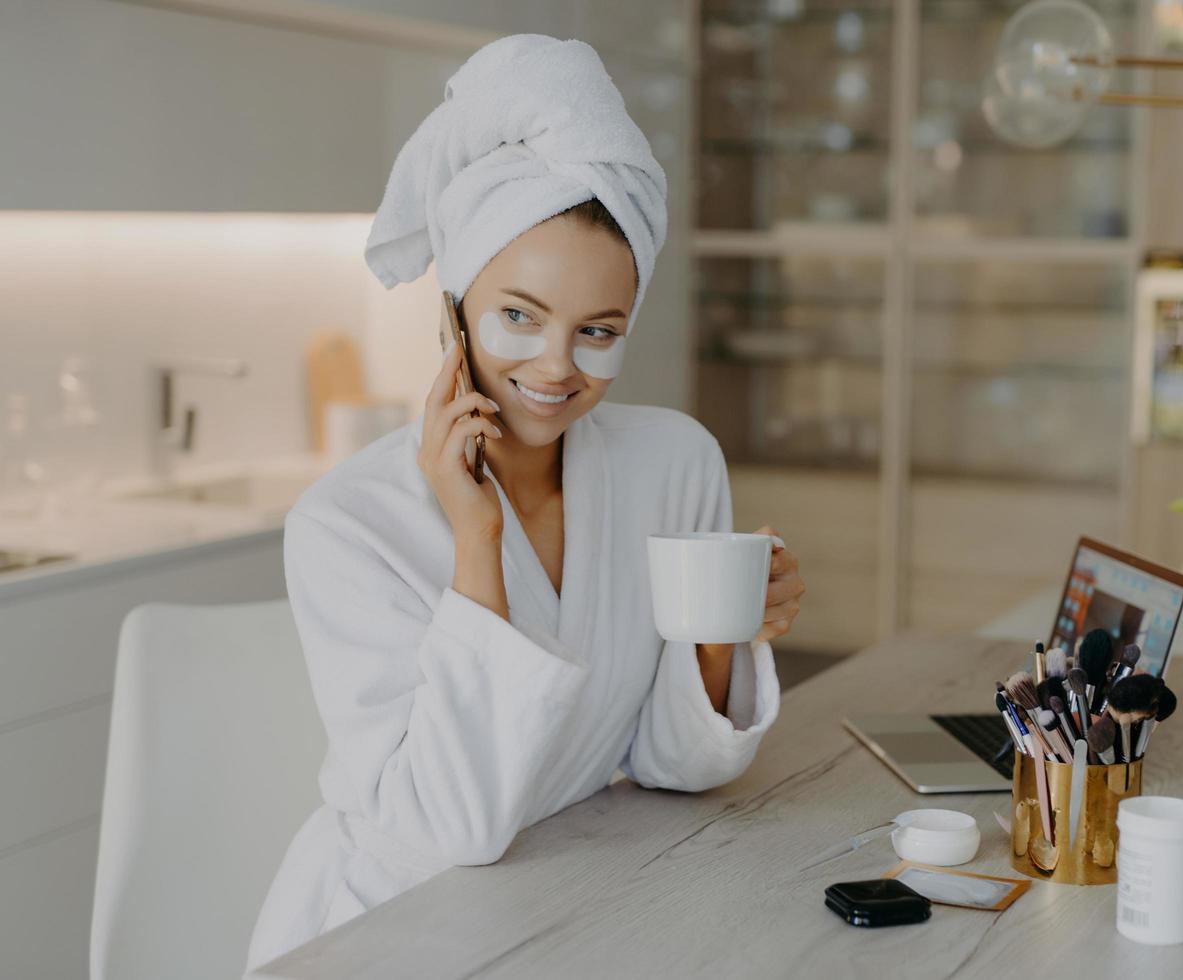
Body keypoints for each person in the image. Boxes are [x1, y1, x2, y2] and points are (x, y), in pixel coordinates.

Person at [244, 34, 804, 972]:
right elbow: (451, 828)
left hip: (556, 908)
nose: (555, 367)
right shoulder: (348, 524)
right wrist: (476, 541)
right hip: (378, 930)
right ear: (454, 309)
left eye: (598, 331)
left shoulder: (674, 461)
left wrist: (720, 637)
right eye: (518, 316)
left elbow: (674, 765)